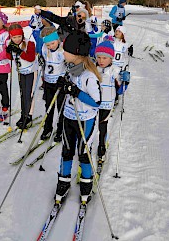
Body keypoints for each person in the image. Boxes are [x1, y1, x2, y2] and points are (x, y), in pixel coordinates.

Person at [54, 30, 102, 204]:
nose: (62, 51)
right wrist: (63, 85)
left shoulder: (89, 76)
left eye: (65, 49)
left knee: (83, 152)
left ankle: (86, 185)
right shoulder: (70, 69)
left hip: (85, 119)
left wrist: (76, 91)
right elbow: (67, 87)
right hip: (69, 116)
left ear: (75, 53)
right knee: (67, 150)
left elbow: (97, 101)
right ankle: (63, 182)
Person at [94, 41, 121, 174]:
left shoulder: (115, 71)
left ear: (111, 58)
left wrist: (125, 82)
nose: (101, 60)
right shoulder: (93, 68)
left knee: (102, 127)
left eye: (104, 58)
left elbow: (121, 90)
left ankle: (101, 148)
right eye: (99, 57)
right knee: (92, 127)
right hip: (93, 103)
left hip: (107, 104)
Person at [6, 24, 37, 129]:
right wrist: (8, 51)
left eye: (19, 36)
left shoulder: (30, 43)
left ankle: (29, 116)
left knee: (29, 94)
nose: (17, 39)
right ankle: (23, 115)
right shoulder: (10, 43)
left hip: (31, 72)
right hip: (21, 72)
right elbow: (10, 57)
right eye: (14, 37)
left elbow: (31, 58)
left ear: (22, 35)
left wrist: (19, 51)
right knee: (23, 94)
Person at [39, 27, 66, 143]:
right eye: (48, 44)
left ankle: (61, 129)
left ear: (57, 40)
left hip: (59, 83)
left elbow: (69, 64)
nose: (50, 46)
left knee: (61, 107)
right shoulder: (45, 49)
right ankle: (47, 128)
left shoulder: (62, 51)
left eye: (52, 43)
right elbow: (45, 61)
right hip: (48, 83)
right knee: (49, 107)